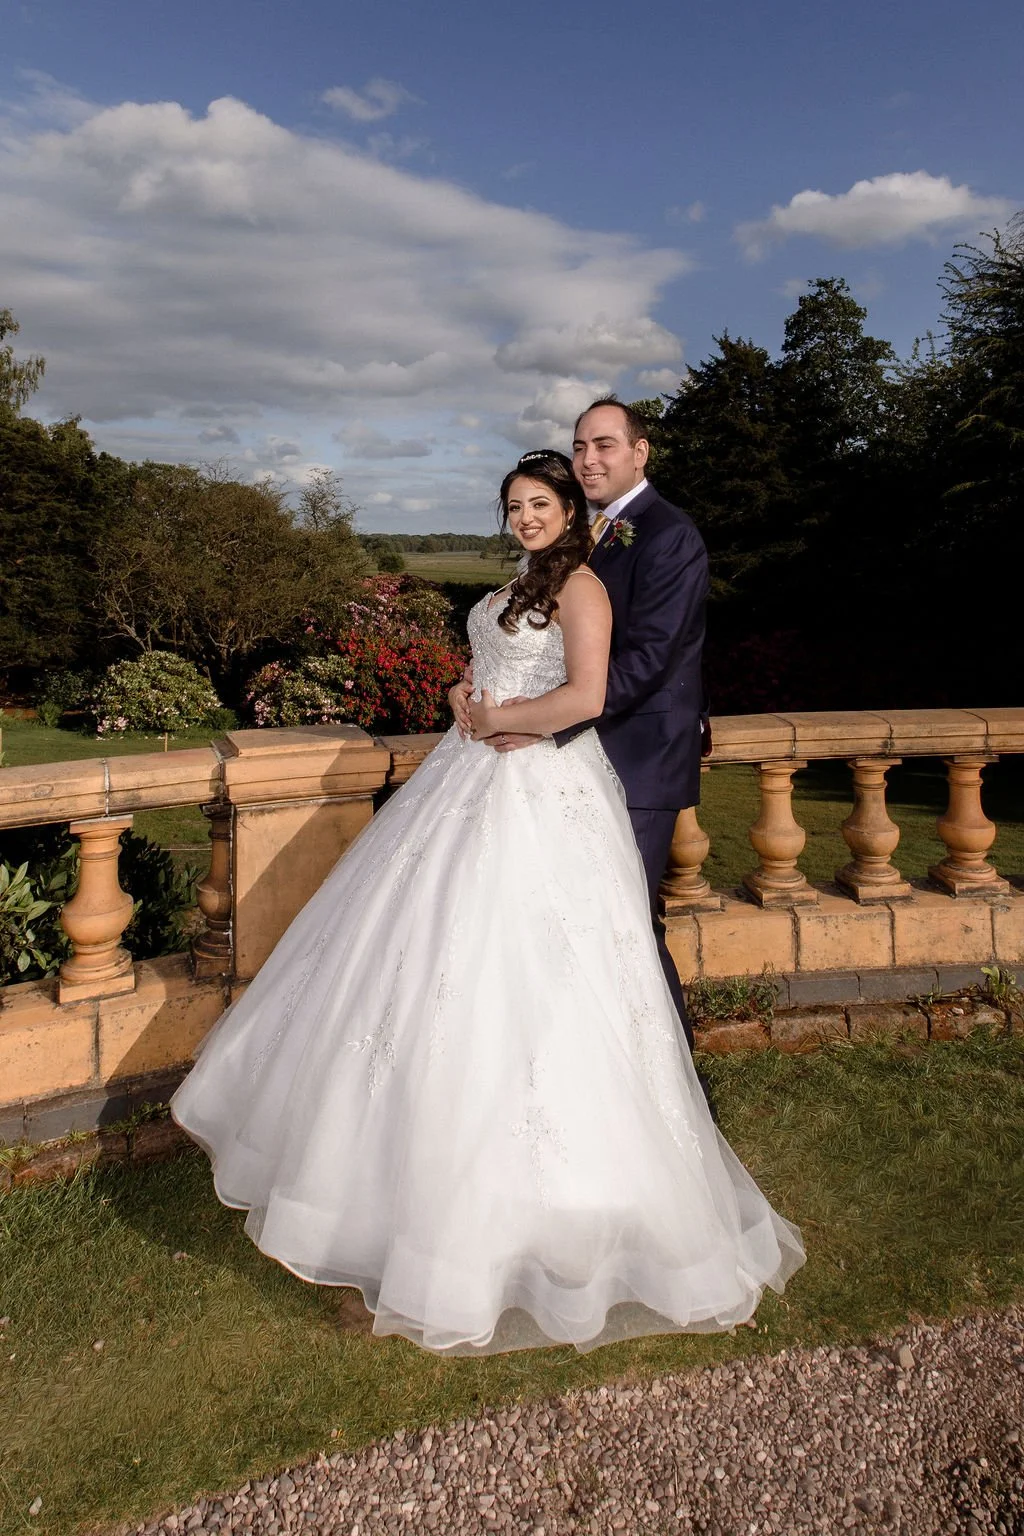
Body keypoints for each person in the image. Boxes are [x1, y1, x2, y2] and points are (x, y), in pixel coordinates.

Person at [171, 453, 803, 1356]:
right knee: (421, 968)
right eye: (513, 506)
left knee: (540, 983)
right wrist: (466, 697)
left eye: (539, 503)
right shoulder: (512, 583)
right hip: (469, 775)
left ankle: (553, 1212)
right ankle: (387, 1193)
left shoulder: (583, 589)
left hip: (543, 790)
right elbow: (483, 669)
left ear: (570, 510)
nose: (524, 518)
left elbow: (585, 696)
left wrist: (509, 722)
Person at [452, 398, 709, 1056]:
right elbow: (537, 642)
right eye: (580, 446)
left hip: (639, 756)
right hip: (571, 756)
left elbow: (648, 658)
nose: (589, 459)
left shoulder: (669, 533)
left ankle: (670, 1088)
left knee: (625, 927)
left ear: (639, 451)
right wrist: (483, 692)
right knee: (562, 924)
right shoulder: (600, 532)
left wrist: (544, 720)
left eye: (605, 445)